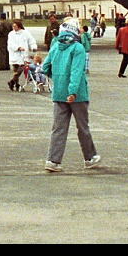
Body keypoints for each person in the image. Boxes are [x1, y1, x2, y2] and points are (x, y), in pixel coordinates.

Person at [41, 18, 101, 172]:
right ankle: (89, 157)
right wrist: (72, 91)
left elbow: (45, 67)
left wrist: (58, 79)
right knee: (82, 127)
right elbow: (76, 71)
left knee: (59, 128)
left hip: (59, 93)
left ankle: (53, 160)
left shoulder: (55, 46)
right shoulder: (77, 48)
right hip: (77, 95)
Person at [6, 19, 37, 91]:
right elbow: (11, 44)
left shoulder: (25, 33)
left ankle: (12, 82)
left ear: (19, 26)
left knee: (21, 68)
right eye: (13, 26)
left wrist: (33, 47)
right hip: (14, 54)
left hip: (23, 55)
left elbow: (31, 40)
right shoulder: (11, 34)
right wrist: (18, 47)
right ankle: (16, 84)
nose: (14, 28)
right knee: (15, 70)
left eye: (15, 26)